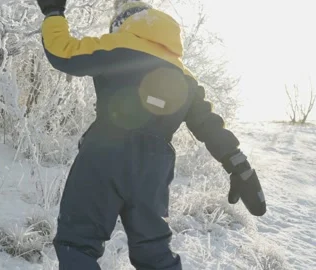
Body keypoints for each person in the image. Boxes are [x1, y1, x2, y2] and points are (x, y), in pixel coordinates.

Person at [35, 0, 267, 269]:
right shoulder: (184, 76)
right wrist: (237, 163)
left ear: (122, 24)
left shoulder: (117, 46)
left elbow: (64, 53)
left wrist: (53, 12)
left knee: (77, 244)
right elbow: (210, 126)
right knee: (153, 253)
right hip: (154, 169)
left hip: (105, 154)